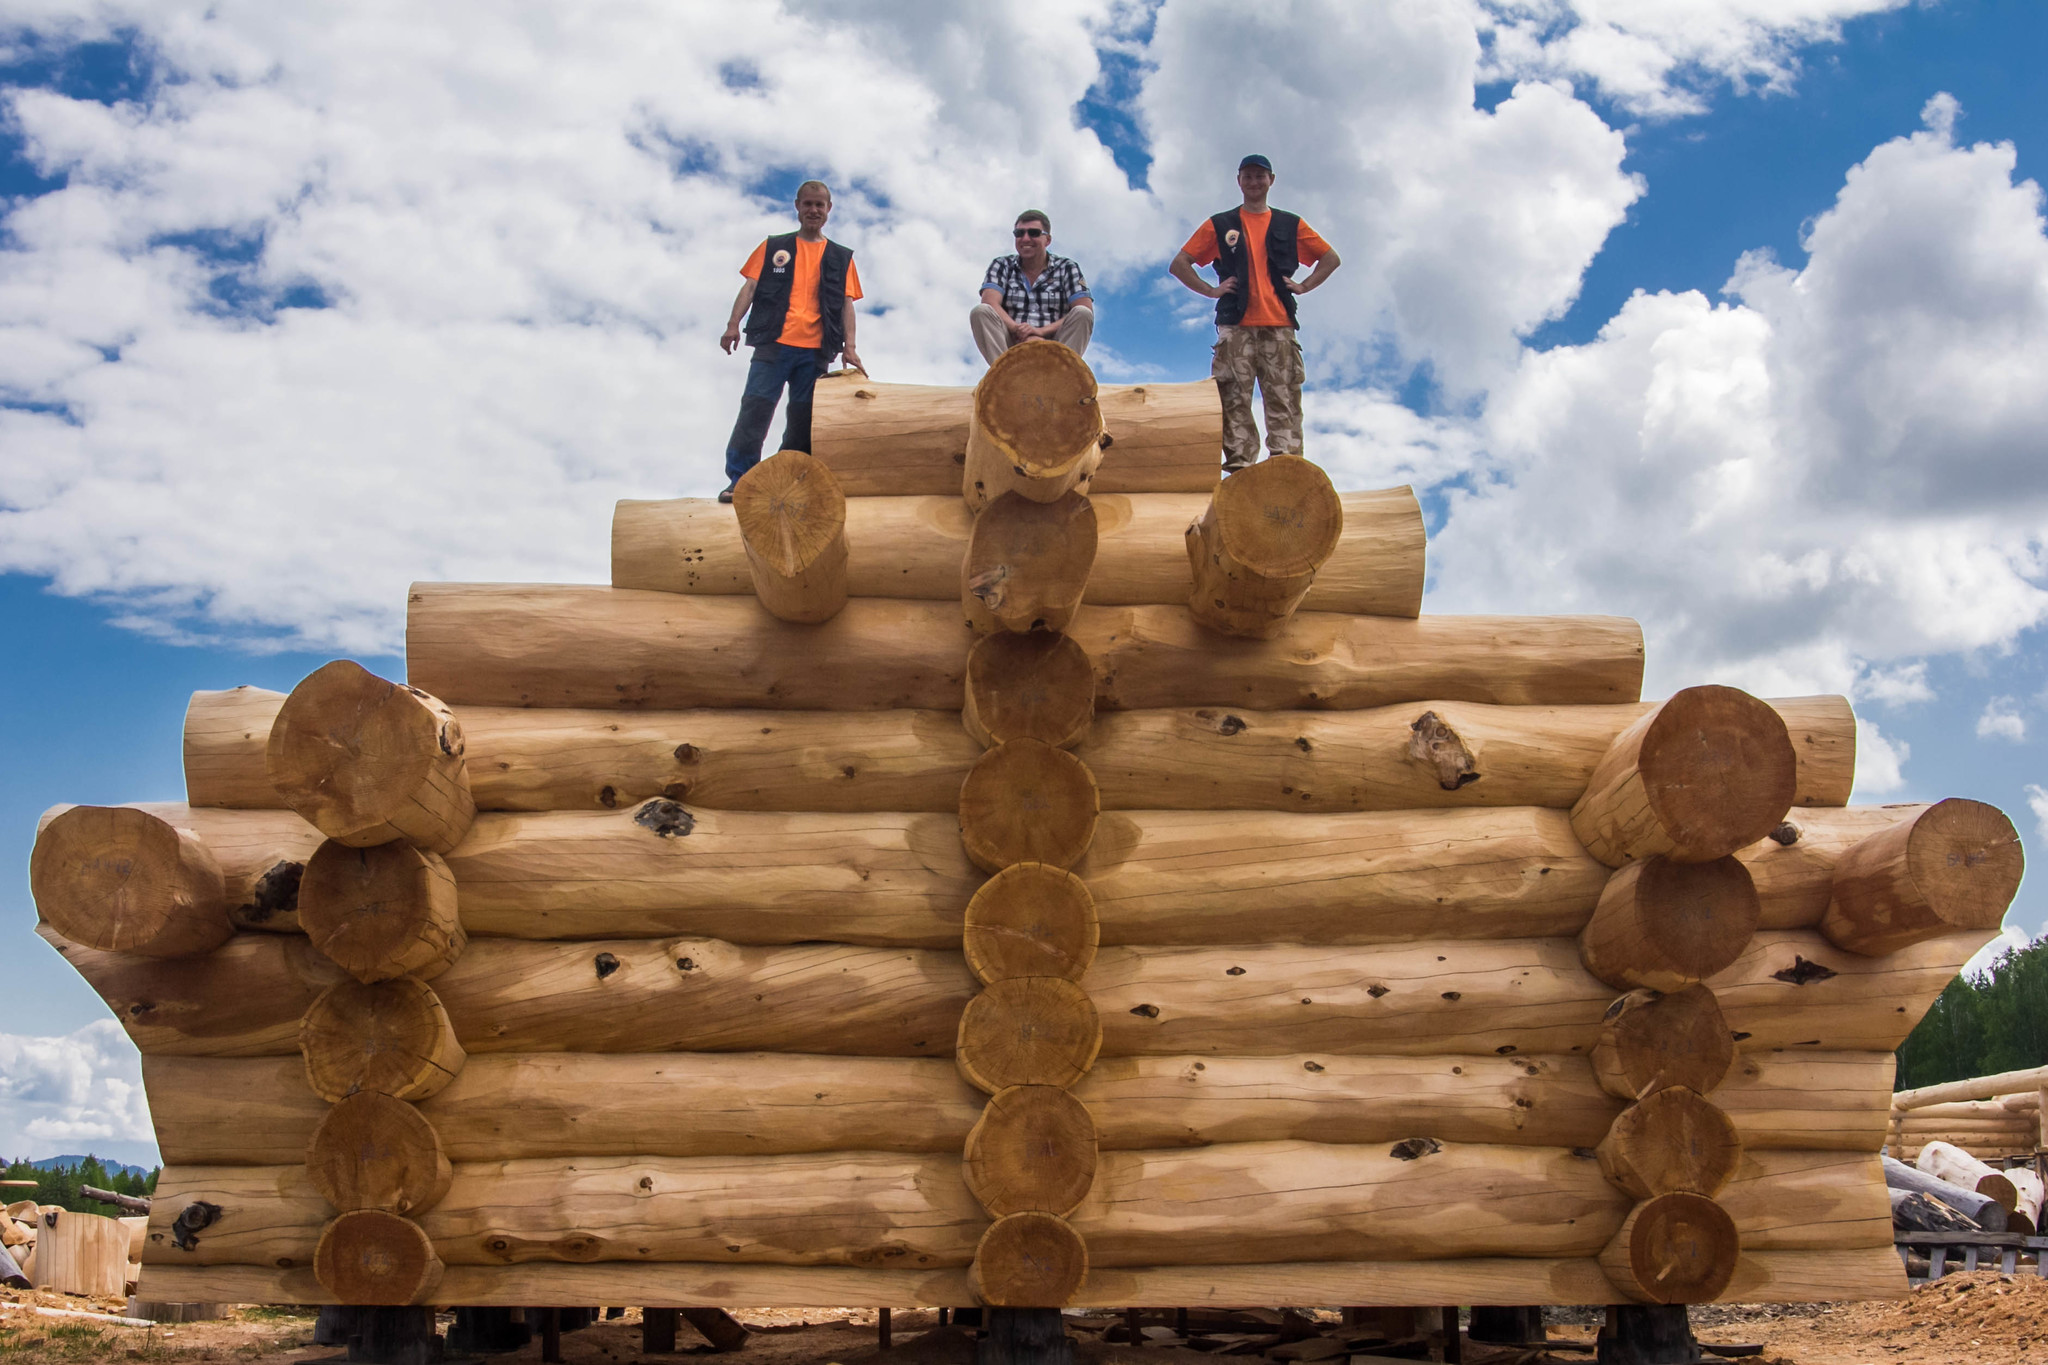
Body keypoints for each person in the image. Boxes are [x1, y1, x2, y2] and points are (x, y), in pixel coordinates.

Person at [1169, 154, 1340, 473]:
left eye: (1260, 176)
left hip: (1280, 327)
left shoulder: (1290, 224)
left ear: (1271, 180)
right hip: (1235, 328)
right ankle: (1240, 470)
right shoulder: (1221, 225)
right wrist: (1211, 290)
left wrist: (1304, 285)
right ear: (1239, 181)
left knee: (1284, 400)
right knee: (1233, 400)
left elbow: (1330, 257)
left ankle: (1286, 468)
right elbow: (1179, 263)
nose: (1254, 182)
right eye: (1247, 176)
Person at [718, 180, 863, 502]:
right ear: (797, 206)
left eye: (819, 205)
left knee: (803, 421)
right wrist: (732, 325)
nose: (813, 210)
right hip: (773, 344)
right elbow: (751, 288)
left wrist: (849, 348)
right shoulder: (774, 248)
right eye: (808, 204)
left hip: (814, 353)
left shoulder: (841, 257)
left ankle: (789, 483)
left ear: (828, 210)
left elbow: (846, 303)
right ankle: (740, 480)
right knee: (754, 411)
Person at [970, 210, 1094, 364]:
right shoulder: (1002, 265)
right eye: (1019, 233)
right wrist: (1018, 330)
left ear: (1047, 240)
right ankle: (1004, 374)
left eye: (1033, 233)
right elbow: (990, 301)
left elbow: (1084, 307)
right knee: (981, 312)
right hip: (1011, 345)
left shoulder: (1067, 267)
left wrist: (1040, 332)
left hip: (1055, 346)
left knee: (1083, 313)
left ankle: (1062, 373)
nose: (1025, 238)